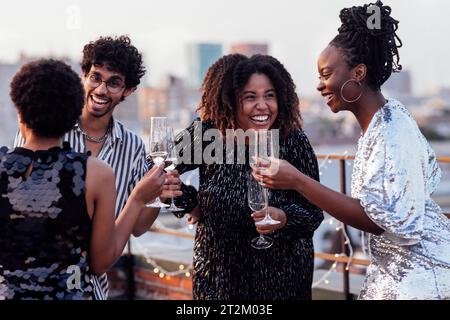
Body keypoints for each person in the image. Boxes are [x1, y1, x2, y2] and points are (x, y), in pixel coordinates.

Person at [253, 1, 450, 299]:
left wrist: (297, 181)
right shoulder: (383, 120)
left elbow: (376, 220)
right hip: (401, 275)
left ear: (358, 72)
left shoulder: (391, 130)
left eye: (326, 74)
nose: (319, 86)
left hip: (418, 282)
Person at [14, 35, 181, 299]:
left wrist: (158, 198)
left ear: (127, 91)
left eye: (113, 83)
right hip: (34, 286)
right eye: (95, 77)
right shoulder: (44, 128)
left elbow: (137, 227)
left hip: (93, 290)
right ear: (84, 75)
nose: (101, 90)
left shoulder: (133, 146)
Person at [171, 54, 323, 299]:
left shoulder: (292, 139)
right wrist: (190, 202)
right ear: (230, 100)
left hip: (282, 283)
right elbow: (156, 168)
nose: (262, 106)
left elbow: (313, 214)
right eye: (250, 97)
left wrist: (283, 218)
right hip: (218, 281)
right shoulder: (208, 133)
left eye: (269, 95)